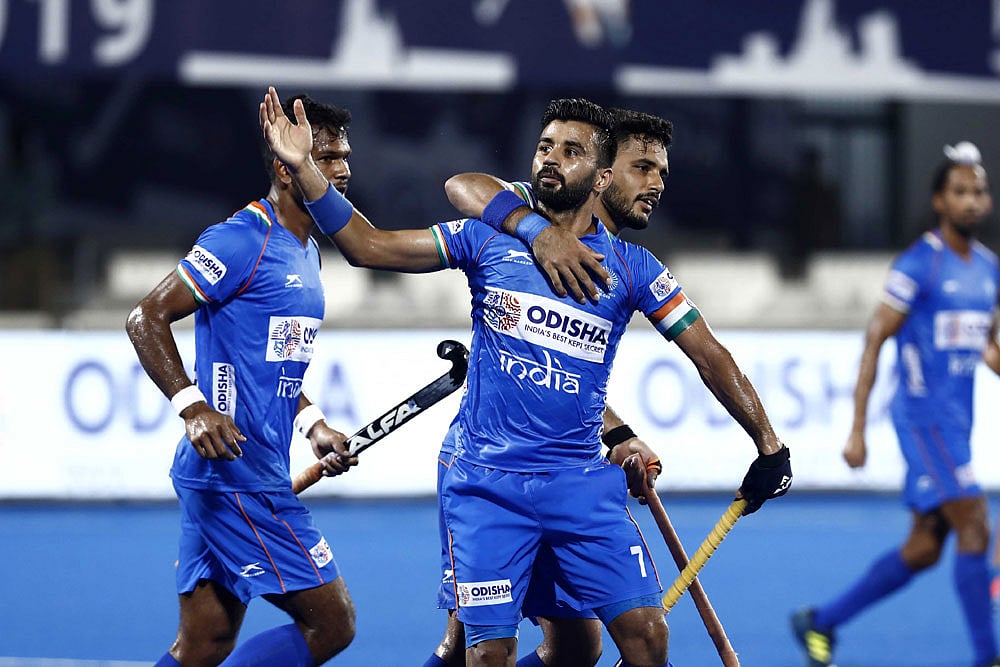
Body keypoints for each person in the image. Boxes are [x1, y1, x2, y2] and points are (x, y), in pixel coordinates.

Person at [260, 87, 792, 667]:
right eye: (545, 146)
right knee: (483, 651)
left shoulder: (634, 268)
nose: (550, 158)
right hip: (487, 482)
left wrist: (767, 445)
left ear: (599, 176)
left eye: (570, 150)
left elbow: (709, 355)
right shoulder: (492, 231)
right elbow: (372, 243)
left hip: (577, 485)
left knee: (630, 640)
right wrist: (305, 168)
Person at [425, 107, 675, 667]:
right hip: (486, 462)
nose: (655, 184)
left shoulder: (618, 259)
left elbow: (569, 377)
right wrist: (537, 232)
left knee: (577, 646)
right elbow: (463, 186)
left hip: (558, 475)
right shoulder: (529, 204)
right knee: (469, 640)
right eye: (642, 167)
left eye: (661, 172)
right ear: (606, 172)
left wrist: (620, 435)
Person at [125, 94, 362, 667]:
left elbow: (276, 362)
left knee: (204, 643)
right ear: (286, 166)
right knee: (332, 625)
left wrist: (313, 425)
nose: (343, 171)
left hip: (234, 475)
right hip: (237, 479)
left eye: (345, 157)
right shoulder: (240, 240)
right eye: (327, 158)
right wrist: (192, 407)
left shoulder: (309, 250)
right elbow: (145, 317)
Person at [791, 141, 1000, 667]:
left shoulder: (990, 270)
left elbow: (988, 348)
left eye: (978, 191)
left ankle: (821, 621)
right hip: (925, 420)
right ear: (939, 201)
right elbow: (875, 338)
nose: (971, 200)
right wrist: (857, 428)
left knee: (925, 548)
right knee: (975, 524)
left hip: (959, 423)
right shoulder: (920, 264)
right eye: (960, 191)